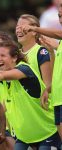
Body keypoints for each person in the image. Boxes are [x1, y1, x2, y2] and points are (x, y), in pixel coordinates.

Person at [22, 1, 62, 140]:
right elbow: (57, 72)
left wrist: (35, 29)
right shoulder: (59, 45)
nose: (60, 19)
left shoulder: (41, 50)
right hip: (57, 99)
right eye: (60, 16)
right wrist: (49, 89)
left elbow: (57, 33)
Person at [16, 14, 52, 90]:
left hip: (37, 101)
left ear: (34, 32)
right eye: (17, 26)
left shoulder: (41, 52)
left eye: (23, 27)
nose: (18, 30)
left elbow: (48, 84)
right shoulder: (15, 54)